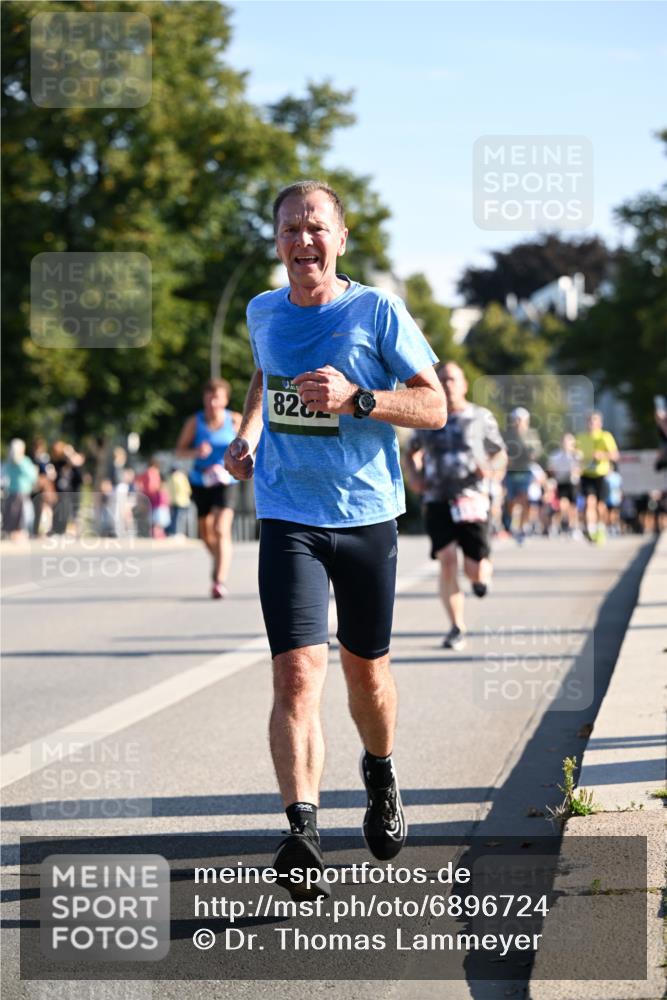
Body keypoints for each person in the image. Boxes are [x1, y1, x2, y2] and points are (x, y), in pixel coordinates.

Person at [223, 180, 446, 898]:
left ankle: (379, 772)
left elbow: (435, 405)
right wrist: (246, 433)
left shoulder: (376, 310)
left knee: (365, 672)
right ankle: (302, 830)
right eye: (289, 229)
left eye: (315, 227)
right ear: (277, 241)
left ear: (340, 238)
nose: (302, 241)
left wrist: (359, 398)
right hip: (287, 513)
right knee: (294, 673)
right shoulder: (262, 311)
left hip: (365, 516)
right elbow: (263, 376)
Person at [405, 362, 506, 651]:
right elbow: (410, 451)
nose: (447, 385)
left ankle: (479, 577)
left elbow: (500, 454)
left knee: (474, 568)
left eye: (452, 380)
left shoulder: (479, 417)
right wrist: (414, 475)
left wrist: (489, 469)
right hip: (437, 498)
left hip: (472, 499)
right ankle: (456, 626)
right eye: (442, 380)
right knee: (447, 560)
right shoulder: (429, 417)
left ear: (463, 384)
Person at [176, 379, 241, 598]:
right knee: (206, 533)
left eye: (217, 397)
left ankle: (218, 580)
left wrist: (237, 459)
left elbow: (253, 446)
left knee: (221, 529)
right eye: (209, 397)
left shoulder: (234, 420)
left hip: (226, 481)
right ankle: (220, 557)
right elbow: (180, 450)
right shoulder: (195, 422)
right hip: (201, 481)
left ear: (225, 400)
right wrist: (196, 452)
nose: (213, 402)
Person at [575, 411, 619, 543]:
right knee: (589, 502)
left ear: (600, 423)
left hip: (601, 474)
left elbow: (615, 455)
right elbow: (575, 455)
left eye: (594, 421)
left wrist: (602, 455)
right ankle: (591, 529)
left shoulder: (605, 436)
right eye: (589, 421)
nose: (591, 424)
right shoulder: (581, 437)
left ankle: (601, 527)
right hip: (586, 475)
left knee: (601, 505)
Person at [502, 407, 542, 542]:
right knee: (511, 500)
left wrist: (530, 453)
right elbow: (503, 451)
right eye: (516, 420)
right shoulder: (508, 435)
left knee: (524, 499)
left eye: (521, 420)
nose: (518, 422)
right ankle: (511, 524)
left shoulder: (531, 434)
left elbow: (536, 452)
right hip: (511, 472)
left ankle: (523, 527)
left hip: (525, 471)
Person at [1, 439, 38, 540]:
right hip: (16, 493)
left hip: (17, 492)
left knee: (17, 513)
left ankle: (15, 532)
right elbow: (33, 476)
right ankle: (14, 533)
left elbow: (33, 476)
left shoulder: (18, 461)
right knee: (16, 513)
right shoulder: (16, 461)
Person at [547, 432, 582, 537]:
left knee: (573, 506)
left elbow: (581, 468)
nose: (567, 443)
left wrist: (576, 471)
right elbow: (550, 469)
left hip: (573, 483)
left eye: (569, 441)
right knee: (562, 505)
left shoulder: (577, 455)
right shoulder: (556, 455)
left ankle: (574, 527)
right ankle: (557, 525)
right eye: (565, 441)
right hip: (561, 482)